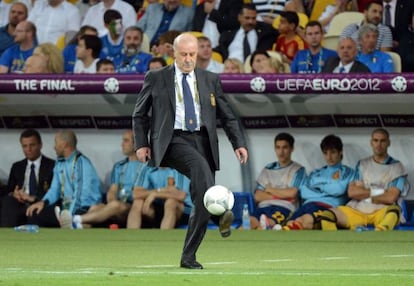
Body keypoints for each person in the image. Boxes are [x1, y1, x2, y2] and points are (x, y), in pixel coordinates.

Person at [132, 33, 248, 269]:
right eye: (183, 54)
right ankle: (220, 214)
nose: (187, 59)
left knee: (202, 200)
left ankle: (188, 257)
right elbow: (139, 114)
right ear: (173, 53)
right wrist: (141, 144)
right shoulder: (155, 78)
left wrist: (239, 143)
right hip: (172, 140)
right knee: (200, 168)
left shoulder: (210, 79)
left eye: (192, 54)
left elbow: (227, 115)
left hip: (203, 141)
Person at [320, 128, 409, 231]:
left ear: (388, 143)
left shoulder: (397, 167)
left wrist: (364, 194)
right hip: (358, 209)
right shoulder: (362, 164)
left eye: (382, 141)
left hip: (382, 210)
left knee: (394, 212)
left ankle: (379, 234)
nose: (378, 144)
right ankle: (335, 242)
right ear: (371, 142)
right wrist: (382, 191)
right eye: (375, 140)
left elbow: (391, 197)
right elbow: (352, 192)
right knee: (327, 215)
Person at [65, 130, 148, 229]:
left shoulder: (146, 166)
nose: (122, 144)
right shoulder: (119, 166)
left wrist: (115, 204)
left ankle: (74, 219)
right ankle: (79, 226)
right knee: (95, 207)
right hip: (117, 206)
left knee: (116, 206)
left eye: (126, 141)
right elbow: (113, 190)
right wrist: (112, 201)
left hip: (135, 206)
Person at [26, 130, 102, 228]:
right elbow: (54, 189)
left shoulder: (82, 163)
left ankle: (77, 224)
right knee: (35, 213)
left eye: (56, 143)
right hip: (66, 208)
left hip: (85, 207)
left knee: (71, 217)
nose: (54, 147)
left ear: (64, 144)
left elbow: (80, 196)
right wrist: (43, 202)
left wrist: (69, 215)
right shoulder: (60, 162)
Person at [283, 134, 355, 230]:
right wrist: (328, 189)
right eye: (325, 153)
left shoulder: (347, 172)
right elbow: (304, 191)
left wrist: (319, 187)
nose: (329, 157)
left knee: (305, 221)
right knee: (290, 222)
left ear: (340, 152)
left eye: (333, 152)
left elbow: (339, 189)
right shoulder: (316, 173)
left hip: (328, 207)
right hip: (307, 205)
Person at [250, 133, 306, 230]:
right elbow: (258, 196)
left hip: (285, 208)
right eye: (278, 147)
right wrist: (281, 195)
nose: (281, 152)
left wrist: (270, 189)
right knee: (250, 222)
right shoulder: (268, 169)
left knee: (268, 223)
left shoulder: (298, 170)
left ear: (292, 149)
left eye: (285, 147)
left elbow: (292, 193)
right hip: (263, 206)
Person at [0, 129, 55, 227]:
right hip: (19, 203)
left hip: (39, 203)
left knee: (36, 211)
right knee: (8, 202)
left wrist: (33, 198)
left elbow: (54, 192)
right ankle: (6, 238)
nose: (28, 149)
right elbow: (9, 190)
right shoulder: (17, 167)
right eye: (24, 146)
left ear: (40, 145)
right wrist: (14, 194)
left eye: (32, 145)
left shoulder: (52, 166)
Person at [128, 166, 192, 229]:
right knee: (138, 202)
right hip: (158, 208)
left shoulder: (179, 167)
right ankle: (131, 236)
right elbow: (136, 194)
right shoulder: (147, 167)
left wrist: (156, 194)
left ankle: (165, 237)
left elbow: (181, 195)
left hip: (183, 210)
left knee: (171, 202)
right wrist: (155, 192)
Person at [214, 4, 278, 63]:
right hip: (232, 71)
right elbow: (220, 49)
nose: (250, 21)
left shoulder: (265, 34)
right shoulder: (228, 35)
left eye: (253, 18)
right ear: (239, 17)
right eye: (247, 18)